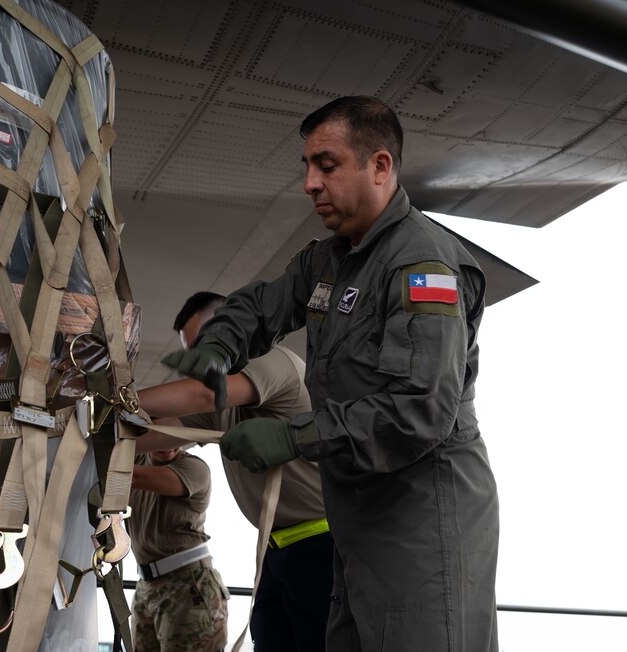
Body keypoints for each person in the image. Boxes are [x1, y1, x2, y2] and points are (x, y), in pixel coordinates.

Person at [162, 96, 500, 651]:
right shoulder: (330, 260)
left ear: (380, 167)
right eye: (307, 167)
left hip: (422, 524)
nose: (309, 184)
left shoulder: (423, 266)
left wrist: (291, 436)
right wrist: (219, 345)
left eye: (327, 165)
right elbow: (262, 304)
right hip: (356, 520)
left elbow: (420, 409)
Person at [137, 291, 333, 651]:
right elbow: (146, 437)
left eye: (207, 343)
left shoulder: (276, 362)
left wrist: (109, 398)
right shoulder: (223, 400)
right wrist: (73, 435)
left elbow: (204, 395)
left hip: (323, 547)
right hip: (277, 550)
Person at [128, 445, 229, 652]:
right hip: (146, 585)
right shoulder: (137, 461)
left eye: (175, 436)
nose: (169, 443)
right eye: (163, 436)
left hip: (188, 585)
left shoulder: (194, 468)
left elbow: (126, 475)